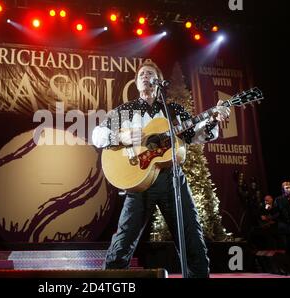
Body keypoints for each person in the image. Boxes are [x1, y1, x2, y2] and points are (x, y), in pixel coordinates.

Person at [92, 59, 230, 278]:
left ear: (158, 81)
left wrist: (212, 120)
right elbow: (97, 136)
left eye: (150, 74)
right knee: (122, 244)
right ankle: (112, 283)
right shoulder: (125, 111)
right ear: (136, 83)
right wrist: (120, 136)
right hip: (138, 182)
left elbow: (193, 136)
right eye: (141, 75)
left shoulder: (172, 109)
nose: (145, 76)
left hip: (171, 179)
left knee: (192, 239)